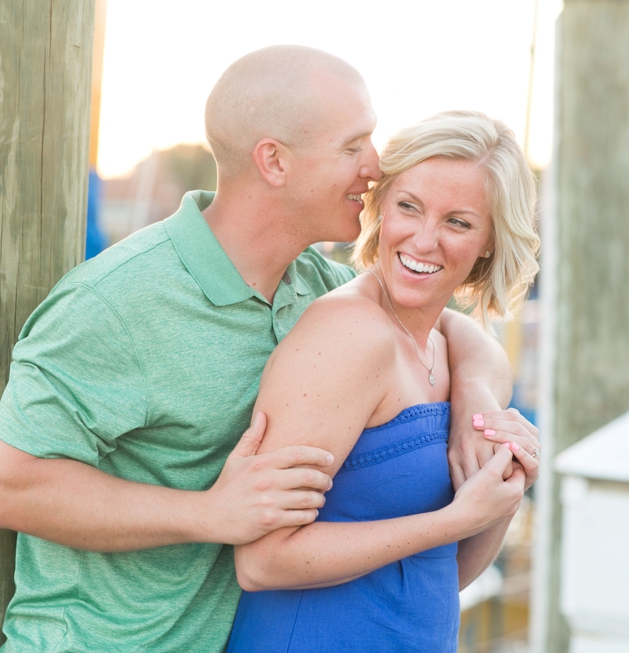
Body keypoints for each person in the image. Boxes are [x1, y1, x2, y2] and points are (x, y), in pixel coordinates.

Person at [0, 47, 522, 653]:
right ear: (274, 161)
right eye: (353, 146)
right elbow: (12, 487)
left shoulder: (309, 280)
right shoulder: (117, 301)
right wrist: (208, 513)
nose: (375, 167)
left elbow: (443, 327)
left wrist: (476, 405)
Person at [226, 110, 541, 653]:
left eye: (458, 222)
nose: (423, 240)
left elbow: (444, 575)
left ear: (491, 240)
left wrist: (503, 492)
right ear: (380, 205)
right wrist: (452, 519)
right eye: (408, 207)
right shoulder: (348, 335)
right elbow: (262, 560)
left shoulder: (444, 346)